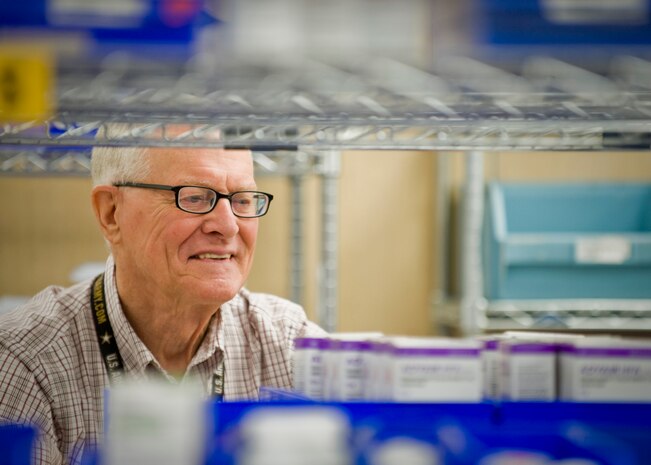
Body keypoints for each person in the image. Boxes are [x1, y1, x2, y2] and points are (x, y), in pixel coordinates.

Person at [0, 132, 327, 464]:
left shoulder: (290, 344)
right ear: (111, 213)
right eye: (196, 197)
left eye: (242, 200)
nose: (228, 226)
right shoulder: (26, 364)